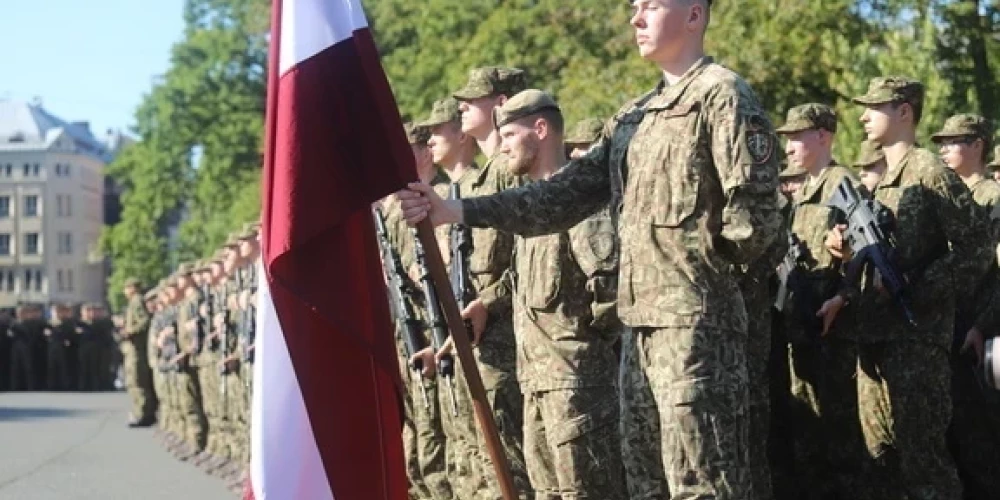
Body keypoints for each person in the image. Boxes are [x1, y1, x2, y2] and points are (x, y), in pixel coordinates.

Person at [398, 1, 782, 496]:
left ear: (693, 15)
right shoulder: (632, 118)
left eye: (651, 7)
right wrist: (459, 212)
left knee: (703, 483)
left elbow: (755, 217)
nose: (635, 19)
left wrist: (700, 276)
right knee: (647, 484)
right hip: (639, 330)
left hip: (695, 330)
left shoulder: (722, 96)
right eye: (634, 8)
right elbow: (561, 194)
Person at [819, 77, 992, 500]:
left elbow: (978, 245)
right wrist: (841, 251)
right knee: (880, 460)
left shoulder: (929, 172)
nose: (863, 115)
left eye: (874, 107)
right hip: (872, 339)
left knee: (925, 462)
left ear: (904, 112)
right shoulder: (875, 180)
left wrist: (921, 286)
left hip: (916, 341)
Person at [465, 89, 626, 499]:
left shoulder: (579, 209)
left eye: (509, 135)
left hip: (578, 393)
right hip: (536, 387)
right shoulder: (532, 209)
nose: (501, 147)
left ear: (541, 130)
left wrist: (586, 364)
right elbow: (523, 279)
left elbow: (611, 299)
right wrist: (487, 302)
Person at [775, 103, 867, 499]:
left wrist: (843, 294)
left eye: (798, 136)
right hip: (801, 330)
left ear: (823, 136)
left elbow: (866, 255)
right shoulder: (802, 192)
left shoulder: (842, 185)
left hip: (833, 333)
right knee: (808, 437)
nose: (790, 145)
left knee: (840, 441)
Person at [931, 113, 1000, 500]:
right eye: (940, 141)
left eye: (953, 141)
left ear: (977, 146)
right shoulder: (950, 196)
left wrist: (982, 325)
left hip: (983, 339)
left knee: (984, 445)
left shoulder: (992, 198)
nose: (943, 148)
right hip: (949, 330)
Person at [121, 278, 158, 427]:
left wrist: (130, 331)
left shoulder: (137, 301)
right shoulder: (134, 302)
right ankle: (141, 412)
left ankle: (142, 413)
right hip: (133, 349)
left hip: (137, 349)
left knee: (137, 382)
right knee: (133, 381)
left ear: (132, 288)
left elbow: (144, 321)